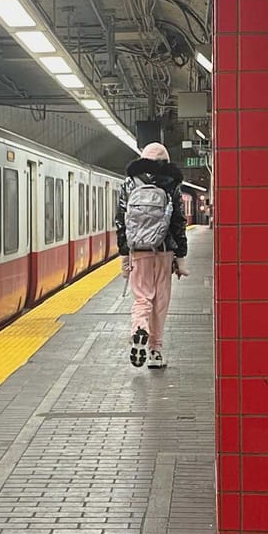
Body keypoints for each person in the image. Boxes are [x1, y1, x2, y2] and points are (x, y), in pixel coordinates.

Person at [116, 141, 188, 369]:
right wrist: (181, 256)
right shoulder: (172, 184)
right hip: (164, 252)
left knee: (142, 298)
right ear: (165, 161)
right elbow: (178, 222)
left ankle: (140, 327)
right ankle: (155, 352)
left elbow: (121, 221)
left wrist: (124, 255)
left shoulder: (129, 183)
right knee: (160, 302)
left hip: (139, 251)